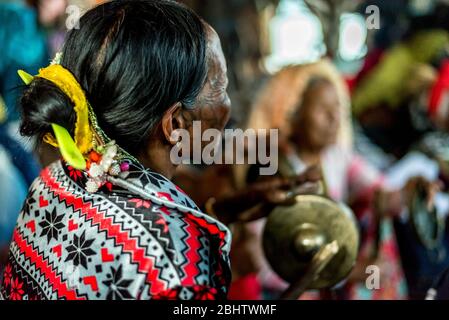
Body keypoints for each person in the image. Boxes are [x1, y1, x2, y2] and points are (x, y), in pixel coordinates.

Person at [2, 0, 241, 300]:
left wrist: (216, 213)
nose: (227, 105)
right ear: (176, 125)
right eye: (220, 85)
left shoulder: (54, 181)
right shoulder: (176, 268)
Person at [239, 59, 438, 300]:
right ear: (294, 115)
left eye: (338, 108)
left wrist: (413, 191)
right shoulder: (270, 168)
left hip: (328, 278)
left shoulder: (337, 158)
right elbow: (259, 262)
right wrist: (346, 272)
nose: (334, 118)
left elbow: (380, 192)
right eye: (323, 109)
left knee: (373, 210)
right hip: (288, 287)